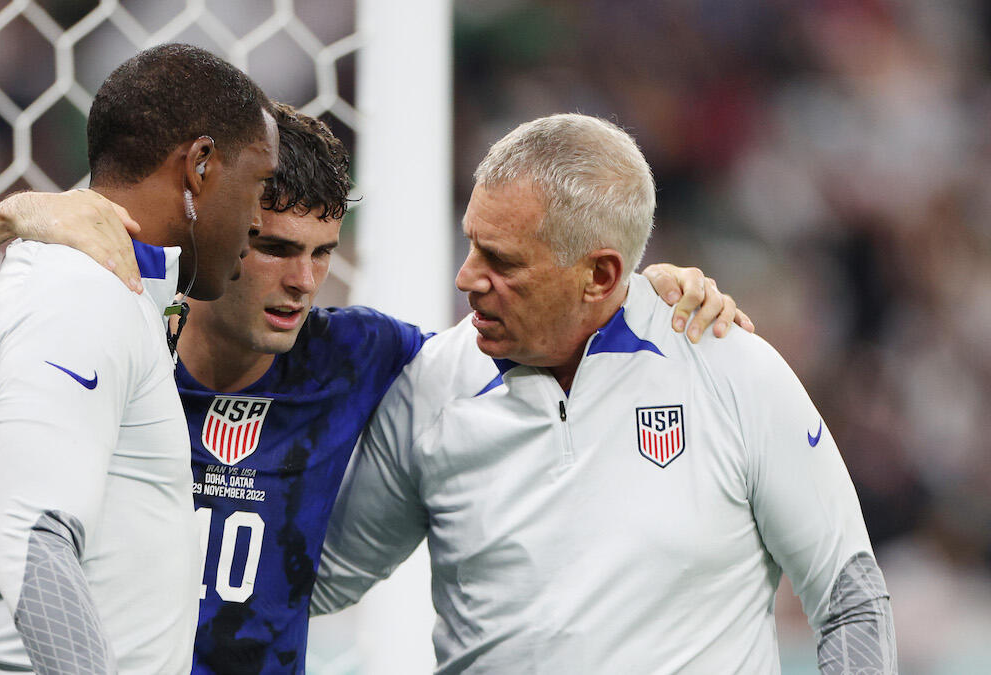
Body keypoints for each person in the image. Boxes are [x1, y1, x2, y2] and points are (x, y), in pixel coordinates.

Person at [0, 102, 747, 672]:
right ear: (218, 228)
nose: (303, 281)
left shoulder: (360, 358)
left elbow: (536, 341)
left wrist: (640, 292)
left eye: (322, 252)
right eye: (274, 247)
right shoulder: (106, 330)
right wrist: (2, 221)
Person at [310, 114, 897, 673]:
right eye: (471, 243)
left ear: (600, 276)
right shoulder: (430, 387)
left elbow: (849, 600)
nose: (466, 277)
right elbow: (315, 581)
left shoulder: (732, 370)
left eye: (502, 261)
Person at [0, 43, 278, 673]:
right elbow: (36, 544)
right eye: (259, 184)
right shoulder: (81, 294)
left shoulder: (106, 299)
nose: (258, 219)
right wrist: (4, 218)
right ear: (200, 166)